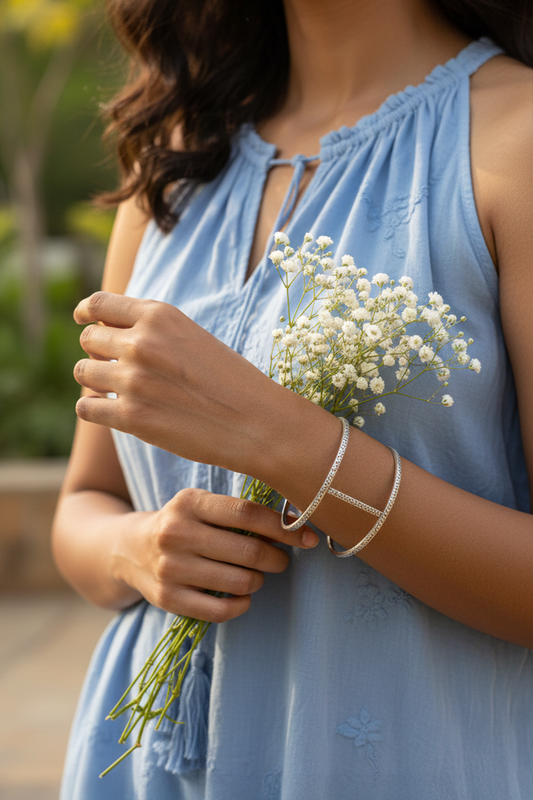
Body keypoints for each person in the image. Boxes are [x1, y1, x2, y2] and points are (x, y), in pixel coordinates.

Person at [53, 0, 533, 797]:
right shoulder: (176, 159)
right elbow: (85, 501)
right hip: (139, 770)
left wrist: (297, 449)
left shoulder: (513, 140)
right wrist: (135, 550)